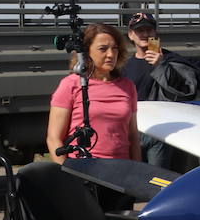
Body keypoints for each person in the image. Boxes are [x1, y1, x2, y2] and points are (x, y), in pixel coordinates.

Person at [122, 11, 200, 170]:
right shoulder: (124, 67)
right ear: (131, 35)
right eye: (139, 31)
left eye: (148, 30)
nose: (144, 34)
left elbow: (185, 91)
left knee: (156, 180)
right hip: (133, 132)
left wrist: (161, 65)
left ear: (155, 32)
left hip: (160, 135)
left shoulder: (170, 60)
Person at [46, 23, 140, 163]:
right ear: (86, 51)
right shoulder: (70, 84)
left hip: (121, 169)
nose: (111, 54)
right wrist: (65, 173)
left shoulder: (127, 87)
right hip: (83, 169)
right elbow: (54, 138)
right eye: (103, 49)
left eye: (115, 48)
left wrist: (137, 171)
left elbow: (132, 136)